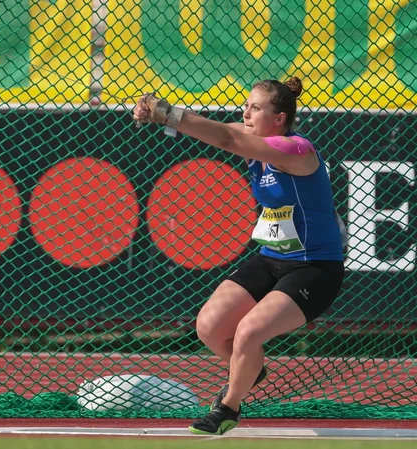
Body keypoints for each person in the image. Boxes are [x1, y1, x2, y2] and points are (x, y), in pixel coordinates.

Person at [133, 77, 346, 436]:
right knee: (210, 327)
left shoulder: (295, 150)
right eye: (246, 105)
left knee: (248, 332)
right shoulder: (255, 139)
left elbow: (228, 139)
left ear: (278, 118)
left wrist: (166, 111)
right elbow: (216, 130)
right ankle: (250, 370)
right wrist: (162, 117)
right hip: (271, 258)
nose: (244, 112)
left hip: (315, 268)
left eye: (255, 108)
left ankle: (228, 408)